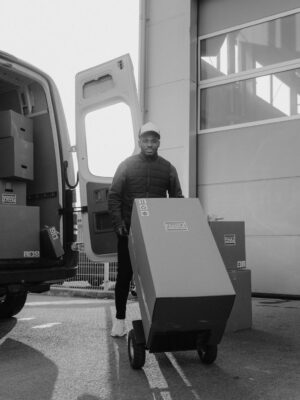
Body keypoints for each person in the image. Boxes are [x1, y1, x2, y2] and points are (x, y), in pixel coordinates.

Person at [108, 121, 183, 337]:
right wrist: (119, 224)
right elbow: (113, 196)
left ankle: (160, 319)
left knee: (160, 276)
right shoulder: (126, 165)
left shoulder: (168, 168)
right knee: (124, 275)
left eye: (153, 140)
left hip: (157, 233)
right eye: (146, 140)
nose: (150, 144)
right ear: (139, 141)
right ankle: (120, 321)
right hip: (129, 231)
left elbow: (177, 198)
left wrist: (175, 227)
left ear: (159, 142)